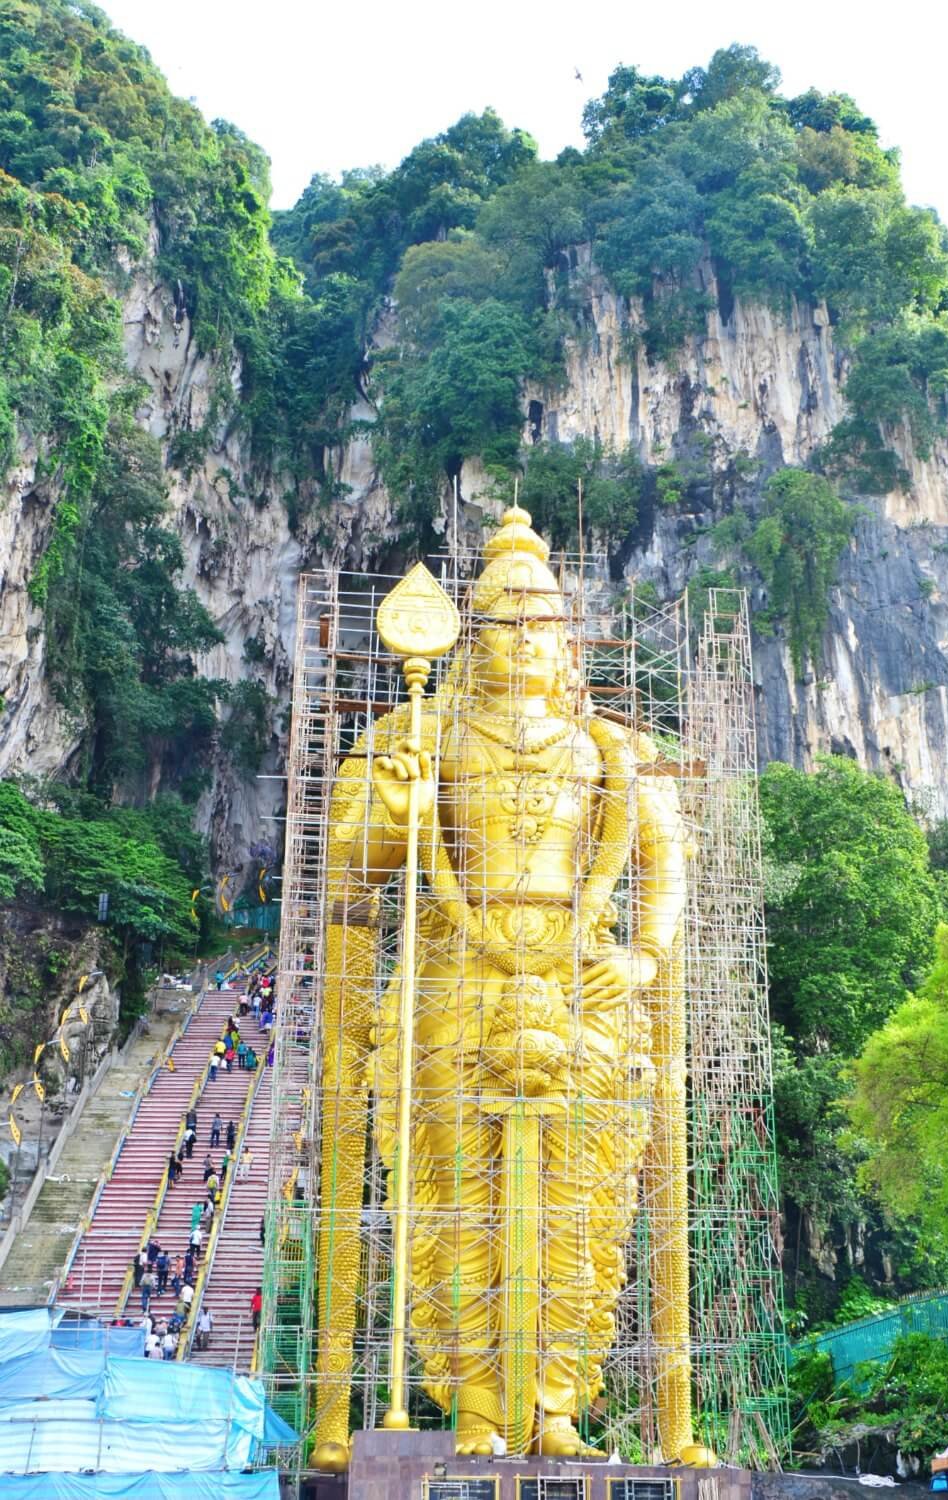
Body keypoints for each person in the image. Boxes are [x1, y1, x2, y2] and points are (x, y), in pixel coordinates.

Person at [317, 503, 692, 1460]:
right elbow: (354, 866)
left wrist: (639, 955)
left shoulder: (608, 747)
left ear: (568, 638)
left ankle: (558, 1407)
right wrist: (396, 797)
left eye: (543, 622)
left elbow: (666, 860)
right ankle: (479, 1408)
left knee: (580, 1197)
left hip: (578, 986)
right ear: (469, 637)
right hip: (454, 982)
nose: (526, 640)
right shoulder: (420, 737)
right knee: (457, 1198)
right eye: (504, 622)